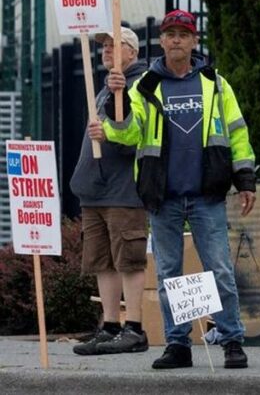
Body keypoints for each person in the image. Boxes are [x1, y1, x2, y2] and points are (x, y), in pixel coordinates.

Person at [89, 9, 257, 370]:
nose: (177, 39)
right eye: (171, 34)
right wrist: (115, 115)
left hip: (205, 194)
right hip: (162, 196)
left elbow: (237, 132)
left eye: (184, 34)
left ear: (195, 41)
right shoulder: (145, 85)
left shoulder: (215, 83)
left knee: (221, 271)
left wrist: (245, 179)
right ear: (161, 41)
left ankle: (231, 340)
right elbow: (128, 135)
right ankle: (178, 344)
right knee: (168, 275)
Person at [70, 28, 150, 356]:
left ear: (131, 52)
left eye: (114, 45)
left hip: (123, 190)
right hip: (96, 190)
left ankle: (134, 327)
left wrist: (111, 130)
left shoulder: (140, 85)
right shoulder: (105, 89)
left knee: (128, 259)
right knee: (102, 261)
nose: (105, 50)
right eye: (103, 46)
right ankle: (111, 325)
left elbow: (138, 131)